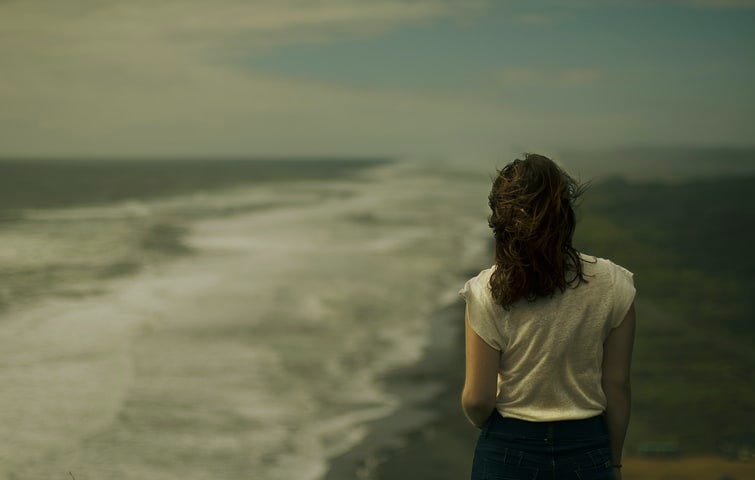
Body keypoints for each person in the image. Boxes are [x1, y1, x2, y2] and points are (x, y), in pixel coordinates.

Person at [459, 153, 636, 480]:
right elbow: (618, 385)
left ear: (501, 219)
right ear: (564, 213)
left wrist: (501, 433)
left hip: (508, 447)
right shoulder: (614, 283)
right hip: (587, 448)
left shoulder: (487, 290)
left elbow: (477, 400)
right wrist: (614, 462)